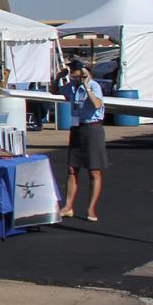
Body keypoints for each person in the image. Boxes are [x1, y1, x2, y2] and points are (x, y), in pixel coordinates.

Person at [61, 58, 106, 220]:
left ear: (84, 70)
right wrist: (59, 76)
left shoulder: (94, 86)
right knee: (72, 168)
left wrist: (87, 86)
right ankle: (68, 207)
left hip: (92, 128)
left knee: (94, 170)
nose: (71, 70)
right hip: (77, 128)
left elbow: (97, 104)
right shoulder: (71, 87)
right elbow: (54, 91)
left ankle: (91, 209)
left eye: (75, 68)